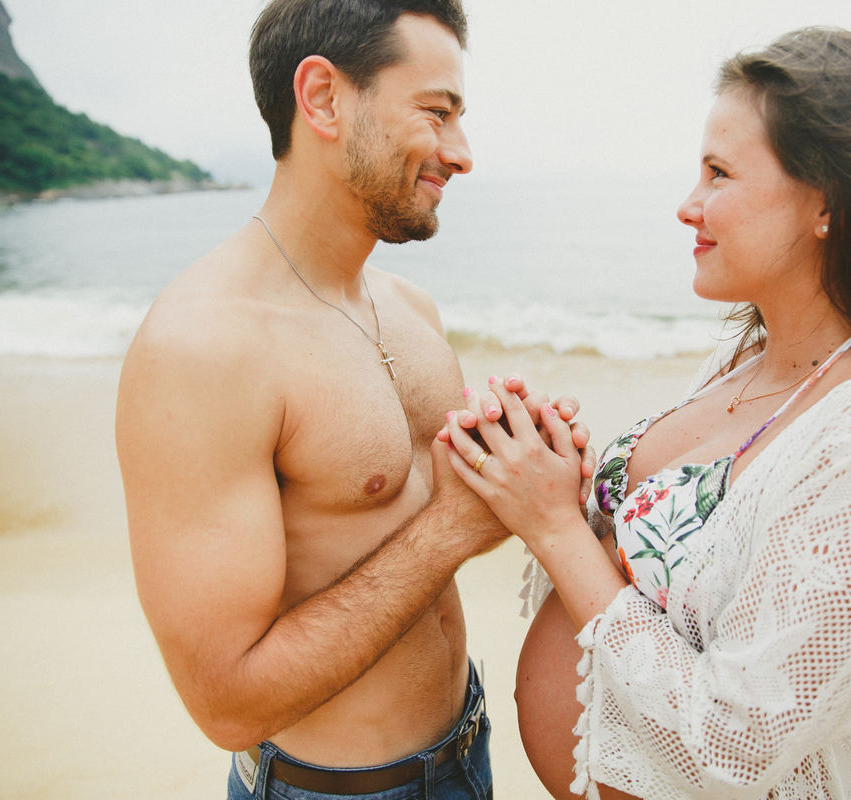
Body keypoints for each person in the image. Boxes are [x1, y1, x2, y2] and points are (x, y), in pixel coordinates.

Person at [440, 27, 851, 800]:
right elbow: (657, 577)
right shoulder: (744, 364)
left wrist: (555, 528)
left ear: (827, 202)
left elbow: (732, 745)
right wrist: (559, 478)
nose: (688, 206)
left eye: (719, 173)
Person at [115, 2, 590, 798]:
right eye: (436, 113)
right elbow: (227, 704)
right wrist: (450, 530)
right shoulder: (203, 347)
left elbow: (421, 524)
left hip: (465, 751)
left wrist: (522, 471)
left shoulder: (409, 306)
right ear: (324, 98)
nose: (462, 154)